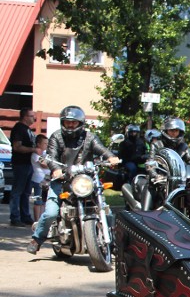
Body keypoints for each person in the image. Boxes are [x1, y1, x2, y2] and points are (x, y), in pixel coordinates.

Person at [27, 105, 119, 255]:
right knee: (51, 212)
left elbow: (100, 148)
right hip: (62, 180)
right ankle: (37, 239)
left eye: (73, 122)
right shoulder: (56, 137)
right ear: (62, 122)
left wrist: (110, 157)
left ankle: (112, 240)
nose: (70, 125)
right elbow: (51, 156)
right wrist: (56, 169)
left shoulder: (89, 137)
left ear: (80, 123)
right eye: (67, 122)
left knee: (104, 208)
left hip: (84, 179)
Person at [9, 108, 37, 227]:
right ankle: (15, 217)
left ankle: (25, 216)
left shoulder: (28, 130)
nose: (34, 118)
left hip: (28, 164)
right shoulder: (19, 129)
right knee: (17, 191)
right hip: (20, 164)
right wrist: (33, 149)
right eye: (31, 116)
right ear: (25, 117)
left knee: (26, 192)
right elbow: (17, 147)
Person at [29, 134, 49, 221]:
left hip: (45, 181)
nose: (46, 145)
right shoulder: (35, 154)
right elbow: (44, 164)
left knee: (44, 202)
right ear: (38, 144)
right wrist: (53, 165)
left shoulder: (44, 153)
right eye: (45, 143)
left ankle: (42, 219)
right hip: (38, 180)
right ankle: (37, 220)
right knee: (38, 201)